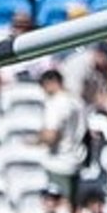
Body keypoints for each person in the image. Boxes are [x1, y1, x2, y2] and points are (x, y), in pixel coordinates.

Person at [38, 69, 87, 201]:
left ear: (51, 82)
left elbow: (51, 136)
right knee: (72, 203)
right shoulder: (77, 101)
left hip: (58, 163)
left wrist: (35, 140)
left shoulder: (56, 103)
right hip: (75, 160)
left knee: (58, 203)